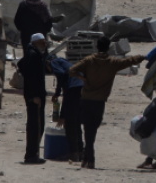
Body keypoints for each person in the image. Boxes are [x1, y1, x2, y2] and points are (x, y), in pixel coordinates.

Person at [69, 37, 145, 169]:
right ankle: (90, 158)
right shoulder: (112, 63)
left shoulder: (89, 60)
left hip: (86, 99)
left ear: (97, 46)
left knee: (88, 129)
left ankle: (87, 157)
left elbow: (72, 70)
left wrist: (83, 78)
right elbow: (129, 61)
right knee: (93, 129)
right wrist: (142, 57)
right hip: (99, 101)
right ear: (108, 47)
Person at [18, 33, 50, 164]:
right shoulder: (33, 55)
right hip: (34, 96)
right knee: (35, 126)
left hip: (35, 95)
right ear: (36, 43)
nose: (44, 44)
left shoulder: (33, 54)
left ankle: (33, 153)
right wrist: (34, 96)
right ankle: (31, 155)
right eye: (42, 42)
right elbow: (31, 77)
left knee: (37, 125)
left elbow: (20, 64)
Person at [49, 51, 84, 161]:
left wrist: (62, 116)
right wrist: (57, 93)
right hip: (84, 88)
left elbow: (61, 75)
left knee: (69, 123)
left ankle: (74, 153)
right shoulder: (64, 62)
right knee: (76, 121)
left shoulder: (53, 62)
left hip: (74, 89)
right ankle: (80, 151)